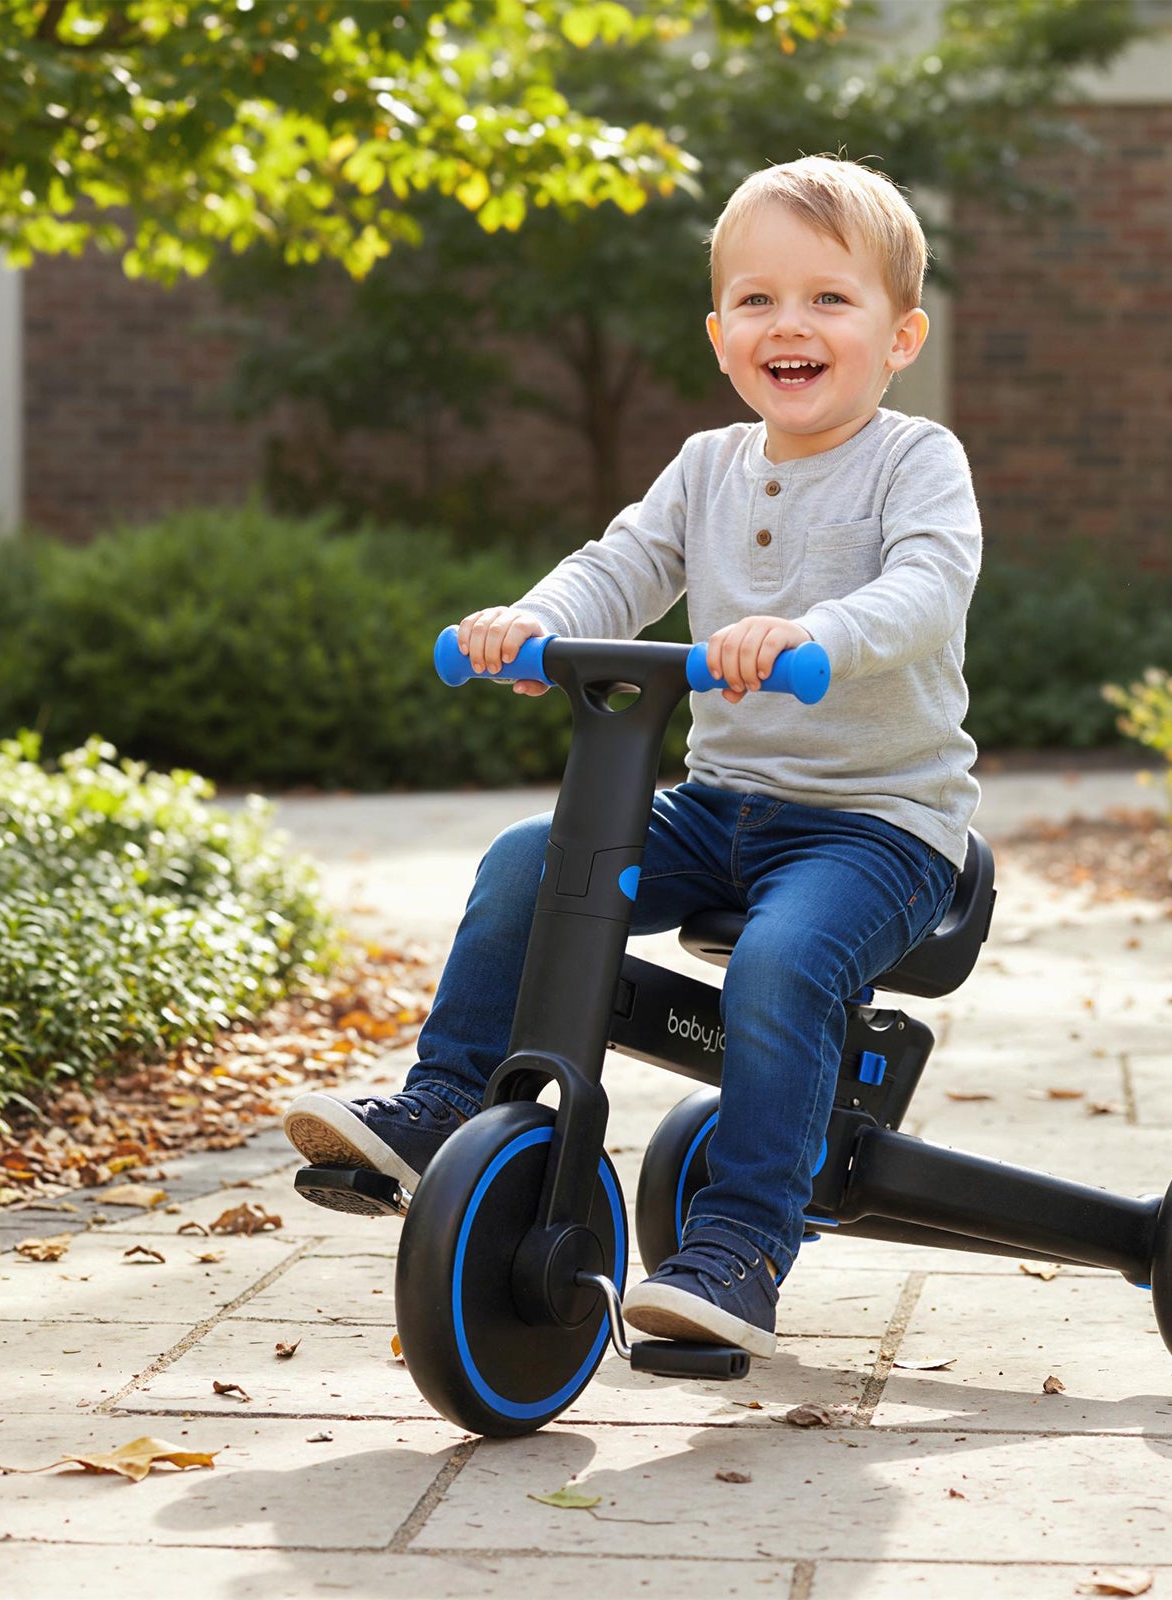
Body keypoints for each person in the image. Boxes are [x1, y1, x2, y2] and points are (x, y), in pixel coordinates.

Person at [284, 154, 983, 1359]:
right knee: (529, 863)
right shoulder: (707, 464)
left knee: (780, 961)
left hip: (881, 826)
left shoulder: (915, 462)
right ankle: (449, 1099)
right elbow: (621, 564)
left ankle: (742, 1245)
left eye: (829, 297)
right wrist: (532, 620)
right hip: (721, 805)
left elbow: (926, 586)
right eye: (757, 300)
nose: (790, 325)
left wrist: (815, 635)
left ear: (900, 332)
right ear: (720, 335)